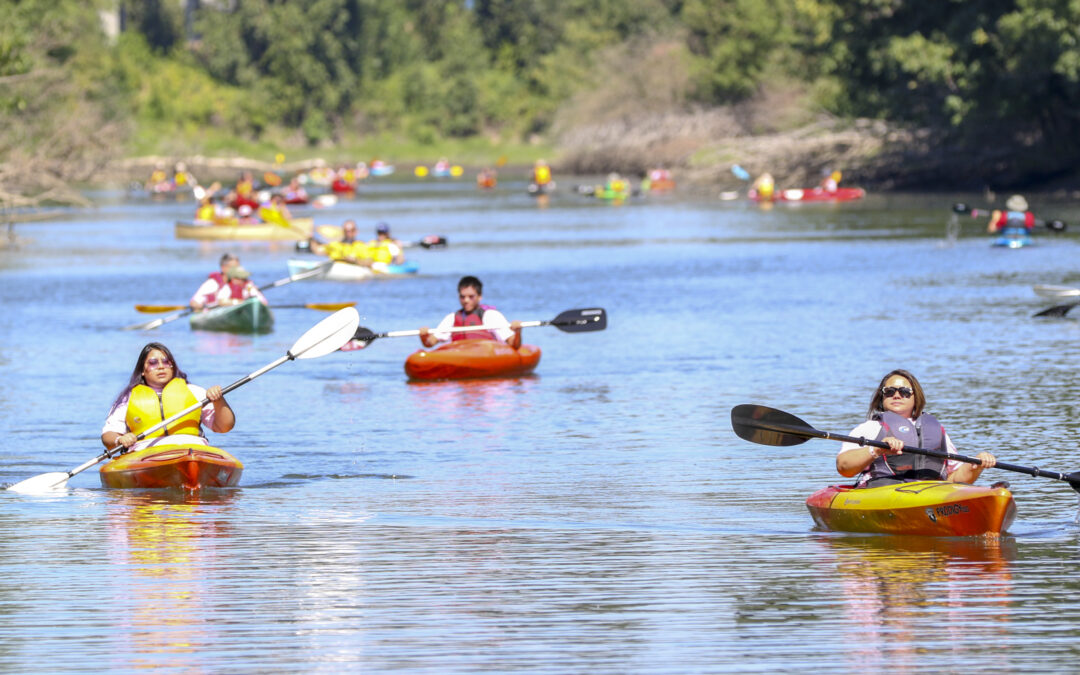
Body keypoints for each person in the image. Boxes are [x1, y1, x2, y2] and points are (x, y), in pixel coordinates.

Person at [836, 369, 996, 488]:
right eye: (889, 391)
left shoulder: (936, 429)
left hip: (930, 492)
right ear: (882, 397)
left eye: (904, 392)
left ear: (915, 397)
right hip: (883, 491)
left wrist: (976, 465)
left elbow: (955, 479)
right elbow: (844, 467)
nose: (897, 395)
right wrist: (876, 450)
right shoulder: (870, 428)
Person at [101, 342, 235, 454]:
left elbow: (224, 427)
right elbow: (108, 435)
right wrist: (120, 440)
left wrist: (218, 400)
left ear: (173, 366)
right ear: (142, 370)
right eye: (153, 363)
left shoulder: (195, 392)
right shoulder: (127, 398)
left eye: (166, 362)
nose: (160, 366)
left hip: (193, 450)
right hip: (146, 453)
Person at [419, 276, 522, 349]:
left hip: (486, 356)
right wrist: (424, 336)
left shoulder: (491, 316)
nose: (466, 300)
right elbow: (430, 343)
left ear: (480, 296)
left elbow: (513, 344)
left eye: (471, 297)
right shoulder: (452, 318)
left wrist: (517, 332)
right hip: (459, 356)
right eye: (462, 297)